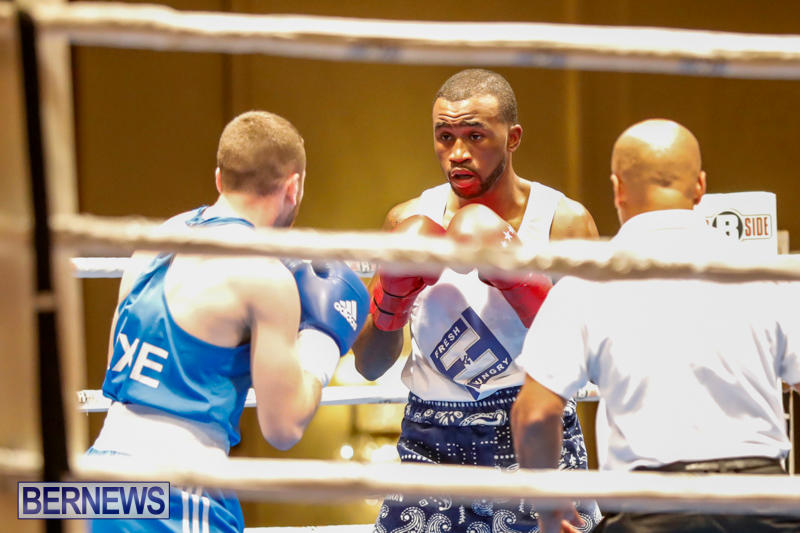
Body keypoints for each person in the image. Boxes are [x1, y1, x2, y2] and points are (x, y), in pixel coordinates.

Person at [510, 118, 800, 532]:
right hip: (763, 505)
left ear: (617, 188)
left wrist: (550, 508)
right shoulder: (764, 274)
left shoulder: (587, 283)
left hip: (651, 510)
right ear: (700, 186)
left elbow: (536, 412)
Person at [87, 110, 370, 533]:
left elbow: (117, 366)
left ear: (220, 179)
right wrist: (323, 340)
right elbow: (283, 427)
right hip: (179, 493)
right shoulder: (264, 276)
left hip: (94, 479)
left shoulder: (156, 241)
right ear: (293, 187)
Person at [353, 68, 602, 532]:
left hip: (536, 438)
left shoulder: (562, 223)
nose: (457, 154)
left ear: (513, 138)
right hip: (430, 444)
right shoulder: (408, 221)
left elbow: (593, 365)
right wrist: (391, 303)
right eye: (444, 136)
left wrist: (528, 287)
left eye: (475, 136)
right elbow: (368, 365)